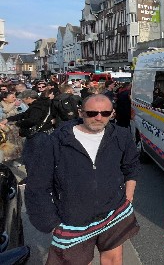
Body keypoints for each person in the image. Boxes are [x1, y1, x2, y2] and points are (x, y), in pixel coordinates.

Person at [25, 94, 140, 265]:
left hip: (113, 212)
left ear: (112, 114)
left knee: (113, 259)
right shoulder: (55, 142)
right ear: (81, 112)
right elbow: (37, 187)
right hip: (73, 220)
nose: (99, 117)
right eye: (92, 113)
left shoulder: (121, 136)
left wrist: (128, 198)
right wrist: (52, 223)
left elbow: (131, 167)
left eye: (105, 113)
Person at [0, 89, 54, 165]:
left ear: (28, 98)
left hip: (40, 133)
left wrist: (18, 124)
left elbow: (32, 120)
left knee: (32, 156)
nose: (22, 100)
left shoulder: (37, 107)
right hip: (40, 132)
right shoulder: (38, 104)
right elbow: (24, 114)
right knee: (31, 154)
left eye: (23, 98)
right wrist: (8, 119)